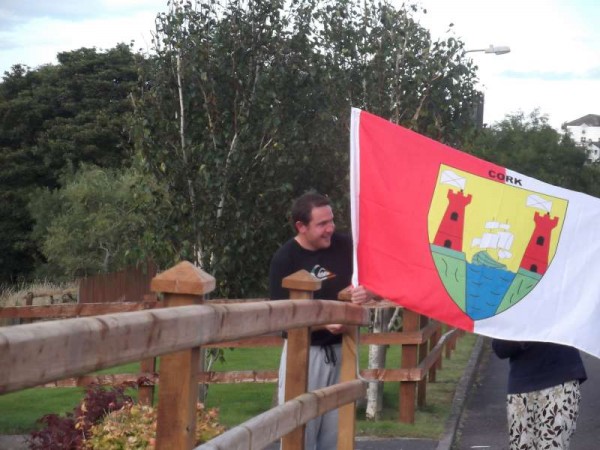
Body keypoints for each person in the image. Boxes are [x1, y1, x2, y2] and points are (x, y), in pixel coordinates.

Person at [269, 192, 372, 450]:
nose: (330, 229)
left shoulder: (346, 245)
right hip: (304, 355)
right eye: (322, 224)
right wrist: (322, 323)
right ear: (301, 227)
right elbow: (280, 319)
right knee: (300, 432)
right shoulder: (285, 259)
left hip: (344, 351)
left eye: (332, 221)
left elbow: (377, 278)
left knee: (337, 437)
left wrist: (369, 291)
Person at [492, 339, 587, 450]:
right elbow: (500, 349)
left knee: (553, 445)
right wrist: (523, 334)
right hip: (521, 387)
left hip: (561, 380)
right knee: (522, 445)